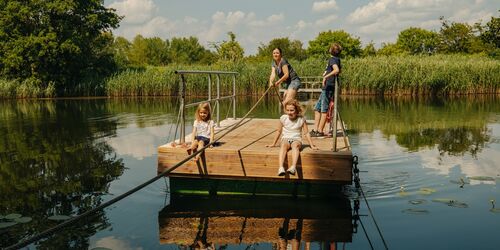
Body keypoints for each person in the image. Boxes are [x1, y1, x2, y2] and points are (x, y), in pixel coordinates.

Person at [266, 99, 318, 176]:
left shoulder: (301, 119)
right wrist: (273, 143)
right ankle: (281, 168)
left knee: (295, 146)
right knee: (283, 146)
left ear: (296, 110)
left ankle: (293, 167)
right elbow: (278, 131)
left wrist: (312, 145)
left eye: (292, 110)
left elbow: (306, 133)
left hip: (296, 139)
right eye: (288, 110)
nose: (289, 112)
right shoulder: (283, 118)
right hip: (286, 138)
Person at [311, 43, 342, 137]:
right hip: (327, 87)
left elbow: (336, 70)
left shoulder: (332, 59)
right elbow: (339, 70)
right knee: (317, 108)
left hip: (328, 87)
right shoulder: (337, 59)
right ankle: (316, 129)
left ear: (331, 50)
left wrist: (326, 76)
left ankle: (320, 131)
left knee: (324, 109)